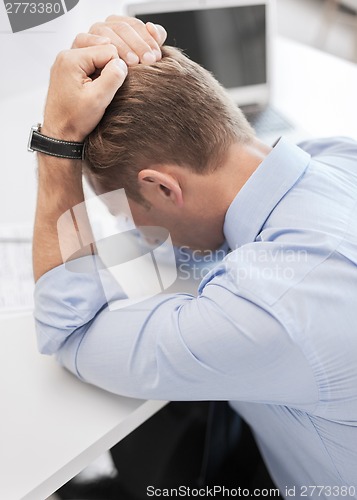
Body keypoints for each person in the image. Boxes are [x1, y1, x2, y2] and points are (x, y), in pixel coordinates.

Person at [32, 15, 357, 500]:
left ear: (163, 187)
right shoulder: (334, 156)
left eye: (124, 211)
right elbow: (178, 238)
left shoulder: (270, 309)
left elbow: (68, 331)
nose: (128, 227)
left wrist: (56, 144)